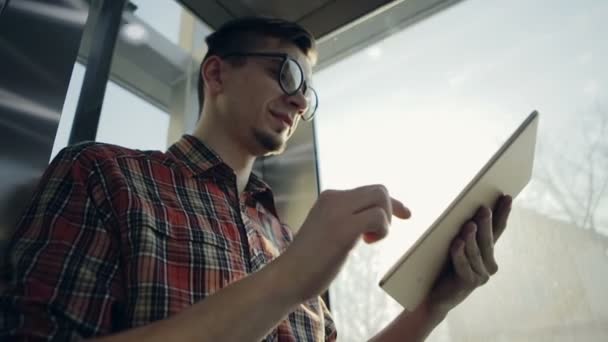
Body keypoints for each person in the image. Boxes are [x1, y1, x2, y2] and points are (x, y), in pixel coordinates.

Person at [0, 16, 512, 341]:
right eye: (286, 75)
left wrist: (432, 306)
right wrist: (287, 281)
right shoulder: (104, 174)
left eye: (307, 94)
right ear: (217, 75)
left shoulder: (287, 240)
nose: (297, 100)